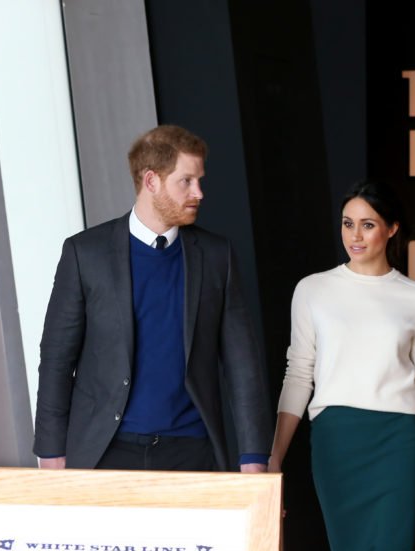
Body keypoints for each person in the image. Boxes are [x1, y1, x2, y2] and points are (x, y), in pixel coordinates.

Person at [269, 179, 415, 551]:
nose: (355, 235)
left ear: (391, 230)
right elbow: (298, 374)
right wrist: (274, 457)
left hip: (400, 442)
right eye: (348, 224)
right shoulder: (313, 290)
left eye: (367, 225)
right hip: (337, 439)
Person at [33, 124, 272, 473]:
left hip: (193, 451)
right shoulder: (85, 254)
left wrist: (254, 456)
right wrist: (50, 451)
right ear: (151, 181)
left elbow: (242, 363)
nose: (199, 192)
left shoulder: (217, 255)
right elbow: (56, 357)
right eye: (186, 181)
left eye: (199, 180)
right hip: (105, 452)